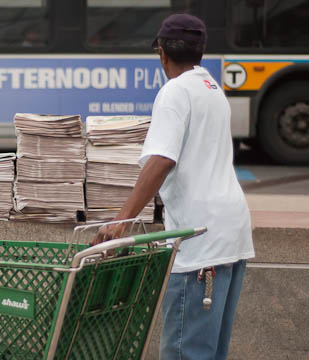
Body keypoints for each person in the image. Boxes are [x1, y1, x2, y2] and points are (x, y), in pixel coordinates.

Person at [91, 14, 255, 360]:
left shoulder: (175, 92)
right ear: (201, 52)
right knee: (210, 351)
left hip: (198, 243)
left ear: (162, 53)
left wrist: (121, 220)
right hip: (231, 234)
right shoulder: (211, 89)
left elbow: (162, 160)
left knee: (186, 351)